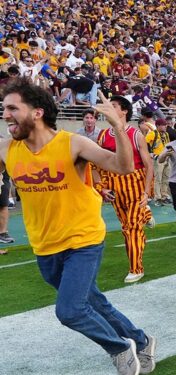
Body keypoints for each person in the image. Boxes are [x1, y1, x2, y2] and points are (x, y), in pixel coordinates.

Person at [0, 79, 156, 375]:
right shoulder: (7, 149)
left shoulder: (73, 143)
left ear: (36, 112)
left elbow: (123, 166)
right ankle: (142, 339)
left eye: (12, 108)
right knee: (94, 302)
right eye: (4, 108)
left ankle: (120, 348)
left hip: (83, 240)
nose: (5, 115)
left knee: (70, 310)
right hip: (44, 245)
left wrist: (117, 127)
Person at [96, 95, 154, 283]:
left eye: (113, 106)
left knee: (132, 228)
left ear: (124, 111)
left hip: (134, 183)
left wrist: (146, 192)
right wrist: (102, 187)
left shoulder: (135, 134)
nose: (109, 109)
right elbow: (96, 163)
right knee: (126, 225)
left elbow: (148, 165)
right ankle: (145, 214)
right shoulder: (103, 135)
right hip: (114, 185)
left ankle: (136, 268)